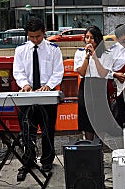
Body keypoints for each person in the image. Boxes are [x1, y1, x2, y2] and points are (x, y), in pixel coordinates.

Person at [13, 17, 64, 180]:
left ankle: (47, 160)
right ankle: (28, 160)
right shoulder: (21, 50)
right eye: (31, 37)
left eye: (38, 36)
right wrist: (24, 84)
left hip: (46, 94)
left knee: (48, 129)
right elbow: (18, 71)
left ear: (44, 33)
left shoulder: (53, 49)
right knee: (27, 129)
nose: (35, 40)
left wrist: (48, 85)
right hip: (27, 95)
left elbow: (58, 72)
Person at [73, 26, 106, 141]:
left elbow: (103, 73)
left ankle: (99, 147)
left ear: (97, 39)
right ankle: (89, 145)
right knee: (86, 118)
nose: (89, 40)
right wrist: (87, 57)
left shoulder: (106, 54)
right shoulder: (79, 53)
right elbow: (81, 72)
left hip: (100, 85)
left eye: (92, 38)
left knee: (100, 118)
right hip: (86, 85)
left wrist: (95, 56)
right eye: (87, 37)